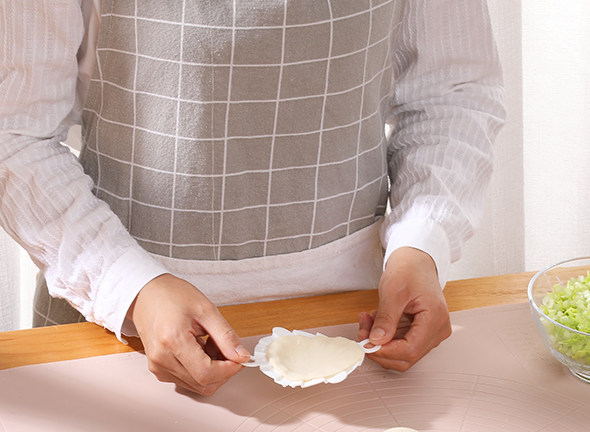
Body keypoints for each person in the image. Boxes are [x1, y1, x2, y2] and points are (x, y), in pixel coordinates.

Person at [0, 1, 504, 395]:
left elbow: (452, 92)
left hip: (359, 321)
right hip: (120, 325)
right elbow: (16, 134)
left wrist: (422, 242)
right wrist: (131, 287)